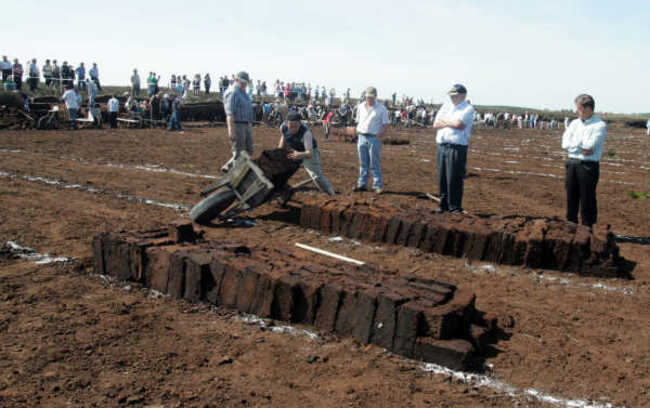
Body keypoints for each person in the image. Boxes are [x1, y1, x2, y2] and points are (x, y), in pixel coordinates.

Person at [561, 94, 607, 227]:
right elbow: (564, 144)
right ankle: (571, 227)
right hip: (571, 164)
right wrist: (580, 147)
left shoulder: (599, 125)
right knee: (571, 199)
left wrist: (574, 146)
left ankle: (589, 230)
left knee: (588, 200)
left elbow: (589, 146)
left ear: (588, 109)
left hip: (588, 166)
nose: (577, 111)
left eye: (579, 108)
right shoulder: (574, 123)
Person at [432, 84, 475, 213]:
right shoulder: (446, 106)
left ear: (463, 95)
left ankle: (455, 207)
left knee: (454, 177)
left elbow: (459, 124)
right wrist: (451, 122)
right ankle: (443, 205)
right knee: (443, 177)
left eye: (455, 96)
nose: (452, 98)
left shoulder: (468, 108)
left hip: (457, 147)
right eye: (451, 96)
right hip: (442, 145)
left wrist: (445, 122)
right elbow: (435, 124)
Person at [278, 112, 335, 195]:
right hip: (295, 150)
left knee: (317, 177)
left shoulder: (306, 133)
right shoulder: (283, 127)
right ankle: (279, 188)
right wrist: (279, 153)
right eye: (291, 126)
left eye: (296, 126)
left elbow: (310, 153)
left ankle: (332, 194)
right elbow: (283, 138)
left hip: (309, 152)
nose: (293, 129)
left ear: (300, 124)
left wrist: (300, 155)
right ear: (286, 123)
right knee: (280, 168)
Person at [353, 86, 390, 194]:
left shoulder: (382, 109)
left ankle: (377, 185)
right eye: (368, 97)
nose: (369, 99)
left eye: (371, 97)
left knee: (375, 163)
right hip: (361, 136)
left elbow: (386, 124)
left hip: (374, 138)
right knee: (363, 162)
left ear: (375, 97)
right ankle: (362, 183)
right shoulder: (360, 107)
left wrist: (380, 135)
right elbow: (358, 121)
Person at [222, 71, 254, 172]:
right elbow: (230, 113)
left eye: (246, 82)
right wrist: (231, 130)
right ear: (236, 80)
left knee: (249, 150)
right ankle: (235, 175)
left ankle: (228, 166)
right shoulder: (232, 92)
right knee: (240, 152)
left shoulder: (243, 92)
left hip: (246, 124)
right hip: (237, 124)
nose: (244, 84)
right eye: (242, 82)